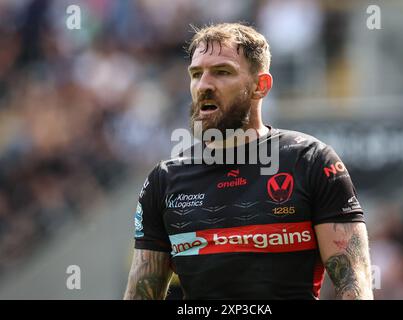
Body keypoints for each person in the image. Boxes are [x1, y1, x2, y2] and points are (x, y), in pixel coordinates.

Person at [123, 23, 373, 300]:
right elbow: (141, 293)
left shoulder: (311, 161)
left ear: (260, 86)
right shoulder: (164, 180)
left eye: (222, 72)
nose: (204, 84)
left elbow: (355, 285)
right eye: (196, 74)